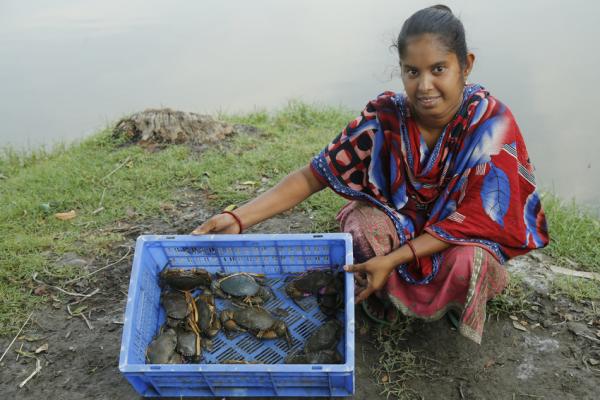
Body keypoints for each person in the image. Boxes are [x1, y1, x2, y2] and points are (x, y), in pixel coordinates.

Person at [192, 5, 549, 344]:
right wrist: (238, 218)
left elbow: (481, 219)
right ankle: (382, 303)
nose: (424, 85)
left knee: (472, 261)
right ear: (402, 70)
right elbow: (312, 176)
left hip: (457, 237)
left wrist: (392, 259)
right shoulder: (384, 119)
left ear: (466, 65)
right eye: (413, 71)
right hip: (399, 223)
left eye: (438, 69)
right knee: (361, 227)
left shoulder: (490, 124)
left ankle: (448, 302)